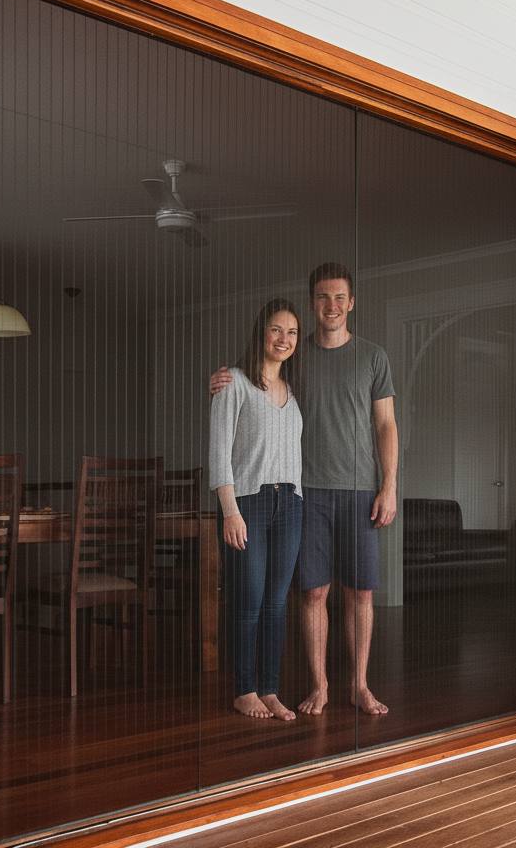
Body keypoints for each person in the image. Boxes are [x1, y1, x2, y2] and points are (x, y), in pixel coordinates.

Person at [211, 262, 398, 716]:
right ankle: (318, 686)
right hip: (304, 494)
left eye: (339, 298)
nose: (330, 306)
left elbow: (386, 424)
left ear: (351, 303)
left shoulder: (371, 357)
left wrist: (389, 486)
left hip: (354, 491)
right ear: (313, 303)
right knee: (310, 593)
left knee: (359, 592)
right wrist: (223, 378)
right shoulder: (296, 358)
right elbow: (251, 386)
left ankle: (357, 685)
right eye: (321, 298)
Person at [209, 298, 304, 721]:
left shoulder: (293, 392)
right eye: (276, 329)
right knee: (248, 600)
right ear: (261, 332)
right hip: (248, 502)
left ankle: (269, 689)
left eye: (292, 332)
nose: (283, 339)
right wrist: (229, 509)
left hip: (291, 504)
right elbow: (219, 452)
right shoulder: (233, 383)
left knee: (277, 603)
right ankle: (244, 689)